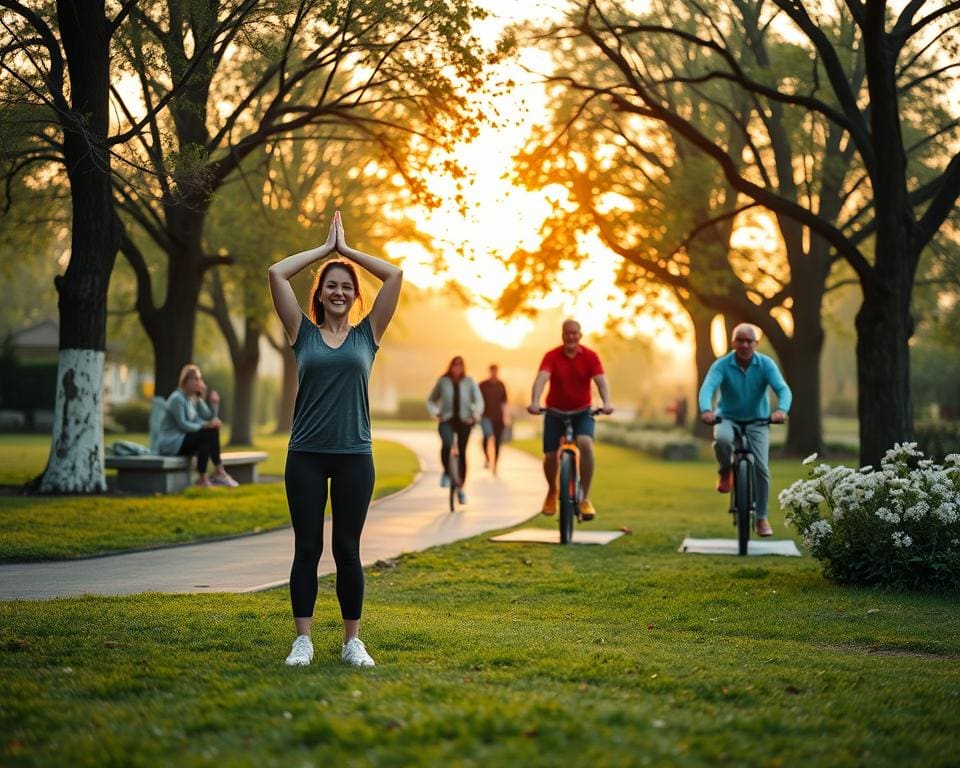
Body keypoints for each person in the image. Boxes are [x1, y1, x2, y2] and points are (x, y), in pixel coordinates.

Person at [268, 210, 402, 668]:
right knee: (307, 548)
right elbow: (276, 273)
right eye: (331, 285)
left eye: (347, 286)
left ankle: (352, 643)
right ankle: (302, 640)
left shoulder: (369, 335)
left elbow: (395, 274)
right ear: (320, 295)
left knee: (348, 549)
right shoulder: (301, 332)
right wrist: (325, 251)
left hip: (354, 457)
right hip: (304, 454)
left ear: (355, 295)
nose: (340, 291)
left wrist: (348, 253)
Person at [698, 322, 791, 537]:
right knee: (722, 441)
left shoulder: (766, 365)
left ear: (756, 344)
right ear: (733, 342)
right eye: (740, 340)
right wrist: (706, 410)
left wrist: (781, 410)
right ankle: (725, 471)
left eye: (750, 341)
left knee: (761, 468)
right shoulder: (722, 365)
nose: (745, 344)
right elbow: (707, 388)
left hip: (758, 421)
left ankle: (761, 518)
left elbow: (783, 389)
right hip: (727, 418)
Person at [527, 319, 613, 520]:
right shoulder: (551, 356)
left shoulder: (590, 356)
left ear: (580, 335)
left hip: (582, 411)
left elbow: (600, 380)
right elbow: (541, 378)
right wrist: (534, 401)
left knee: (585, 443)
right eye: (567, 333)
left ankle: (585, 498)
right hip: (555, 412)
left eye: (575, 333)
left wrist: (606, 402)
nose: (571, 336)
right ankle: (552, 491)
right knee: (550, 455)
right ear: (562, 335)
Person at [156, 364, 238, 488]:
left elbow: (208, 417)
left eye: (199, 379)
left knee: (208, 435)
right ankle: (218, 472)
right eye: (195, 379)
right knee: (207, 433)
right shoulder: (177, 399)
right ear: (185, 381)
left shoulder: (191, 399)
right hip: (171, 443)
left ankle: (205, 478)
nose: (198, 382)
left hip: (182, 440)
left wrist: (211, 402)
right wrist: (205, 426)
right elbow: (183, 425)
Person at [426, 356, 484, 504]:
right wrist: (436, 412)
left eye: (460, 365)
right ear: (450, 366)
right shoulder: (443, 381)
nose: (457, 368)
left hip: (465, 421)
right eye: (454, 365)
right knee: (447, 443)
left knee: (462, 451)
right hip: (446, 420)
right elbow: (431, 399)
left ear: (463, 367)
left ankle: (461, 488)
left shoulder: (469, 381)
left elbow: (478, 400)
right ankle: (446, 472)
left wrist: (476, 414)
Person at [478, 364, 509, 474]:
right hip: (485, 416)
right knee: (487, 436)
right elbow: (477, 400)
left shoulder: (501, 385)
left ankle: (495, 464)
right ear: (490, 371)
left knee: (497, 442)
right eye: (492, 371)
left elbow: (504, 403)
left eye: (496, 371)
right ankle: (487, 458)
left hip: (498, 417)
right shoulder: (483, 385)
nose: (494, 373)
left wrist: (506, 417)